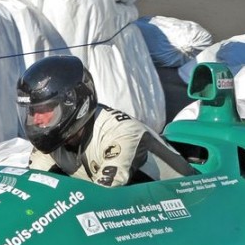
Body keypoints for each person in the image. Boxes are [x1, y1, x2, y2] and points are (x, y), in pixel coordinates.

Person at [17, 55, 195, 187]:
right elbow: (34, 187)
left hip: (189, 205)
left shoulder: (122, 133)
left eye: (43, 110)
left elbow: (104, 200)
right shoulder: (51, 141)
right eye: (32, 112)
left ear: (71, 103)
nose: (36, 120)